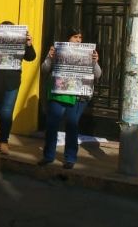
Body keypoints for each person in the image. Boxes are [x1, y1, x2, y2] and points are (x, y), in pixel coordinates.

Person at [38, 27, 101, 169]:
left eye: (80, 38)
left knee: (72, 125)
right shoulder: (58, 51)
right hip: (58, 94)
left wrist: (95, 62)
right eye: (75, 37)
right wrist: (49, 57)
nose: (78, 40)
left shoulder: (89, 54)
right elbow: (44, 69)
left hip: (77, 97)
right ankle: (48, 156)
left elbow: (97, 75)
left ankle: (70, 158)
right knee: (52, 125)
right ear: (68, 39)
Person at [0, 22, 36, 156]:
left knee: (6, 113)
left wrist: (29, 44)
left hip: (11, 82)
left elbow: (31, 57)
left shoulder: (21, 42)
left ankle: (4, 142)